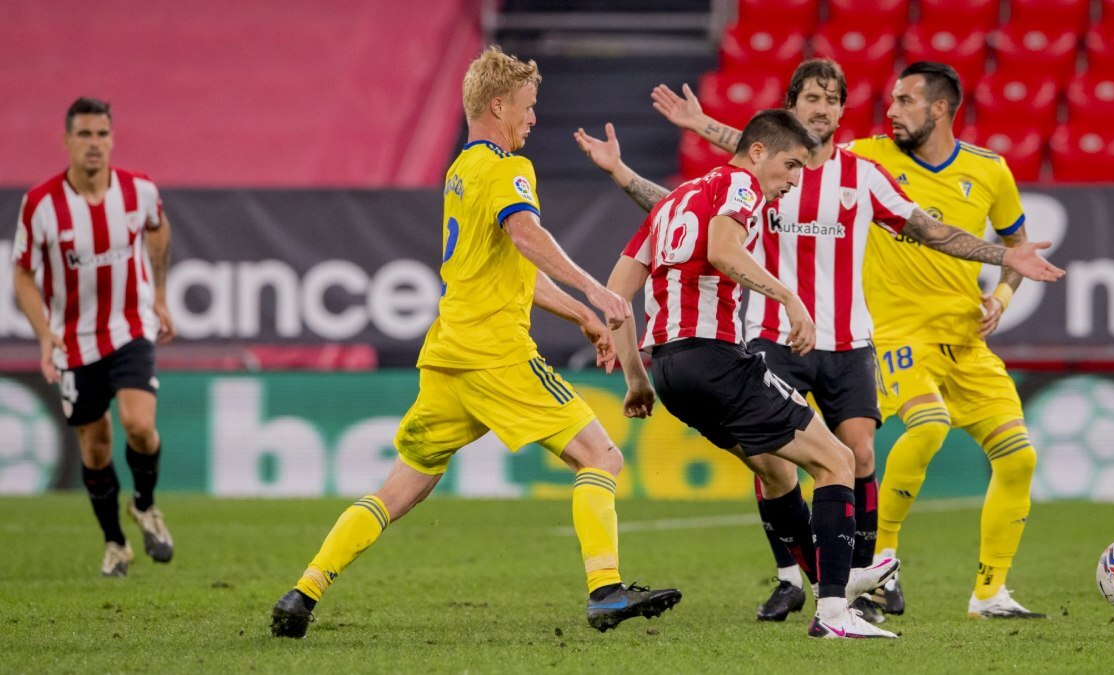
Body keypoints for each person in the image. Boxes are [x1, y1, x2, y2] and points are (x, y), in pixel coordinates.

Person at [578, 59, 1063, 623]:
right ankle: (820, 588)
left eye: (833, 99)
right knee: (795, 462)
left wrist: (1005, 257)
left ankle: (856, 577)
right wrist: (784, 295)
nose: (822, 108)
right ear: (791, 109)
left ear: (840, 110)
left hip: (837, 338)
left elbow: (926, 230)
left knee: (846, 455)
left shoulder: (854, 171)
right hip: (766, 333)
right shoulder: (756, 177)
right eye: (812, 97)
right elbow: (725, 203)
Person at [269, 46, 681, 639]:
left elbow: (511, 260)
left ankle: (303, 592)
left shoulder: (461, 170)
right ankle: (606, 591)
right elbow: (525, 231)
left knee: (401, 484)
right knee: (603, 457)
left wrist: (579, 319)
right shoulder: (509, 169)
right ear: (497, 104)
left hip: (446, 357)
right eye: (528, 106)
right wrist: (598, 293)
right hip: (496, 353)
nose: (534, 119)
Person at [609, 107, 903, 640]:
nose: (794, 181)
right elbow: (723, 251)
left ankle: (829, 588)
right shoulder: (740, 185)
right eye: (791, 166)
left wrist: (636, 378)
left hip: (671, 371)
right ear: (759, 151)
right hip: (715, 358)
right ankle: (836, 611)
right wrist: (789, 297)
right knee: (837, 460)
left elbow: (614, 298)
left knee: (777, 472)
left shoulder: (674, 200)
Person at [12, 97, 176, 577]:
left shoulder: (139, 190)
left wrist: (160, 296)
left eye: (102, 134)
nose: (94, 144)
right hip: (74, 341)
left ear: (112, 139)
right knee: (96, 447)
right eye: (84, 135)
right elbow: (23, 274)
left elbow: (159, 229)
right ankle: (115, 544)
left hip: (131, 326)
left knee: (140, 425)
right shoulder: (41, 204)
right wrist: (44, 337)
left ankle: (144, 505)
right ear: (67, 141)